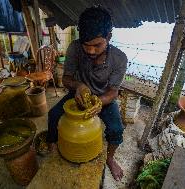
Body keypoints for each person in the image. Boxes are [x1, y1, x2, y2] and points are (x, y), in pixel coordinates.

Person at [46, 6, 127, 181]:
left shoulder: (119, 59)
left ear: (109, 37)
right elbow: (65, 80)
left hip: (103, 98)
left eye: (97, 45)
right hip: (78, 94)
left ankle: (110, 159)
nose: (90, 51)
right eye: (86, 45)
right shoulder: (75, 48)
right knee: (53, 115)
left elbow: (113, 92)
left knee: (116, 129)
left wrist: (99, 102)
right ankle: (52, 147)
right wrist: (79, 85)